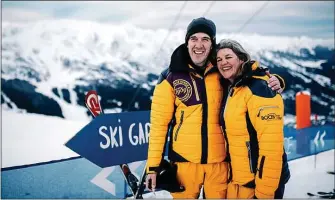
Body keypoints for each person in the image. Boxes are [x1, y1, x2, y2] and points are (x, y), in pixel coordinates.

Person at [145, 17, 284, 199]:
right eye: (194, 38)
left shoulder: (222, 69)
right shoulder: (170, 76)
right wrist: (153, 167)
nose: (199, 45)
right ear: (187, 42)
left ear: (212, 44)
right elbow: (158, 125)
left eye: (205, 39)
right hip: (184, 164)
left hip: (220, 165)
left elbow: (250, 75)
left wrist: (276, 81)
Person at [216, 39, 290, 199]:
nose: (223, 63)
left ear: (242, 59)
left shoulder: (259, 88)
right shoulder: (233, 87)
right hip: (239, 181)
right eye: (219, 59)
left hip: (261, 184)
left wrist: (264, 194)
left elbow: (271, 149)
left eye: (228, 57)